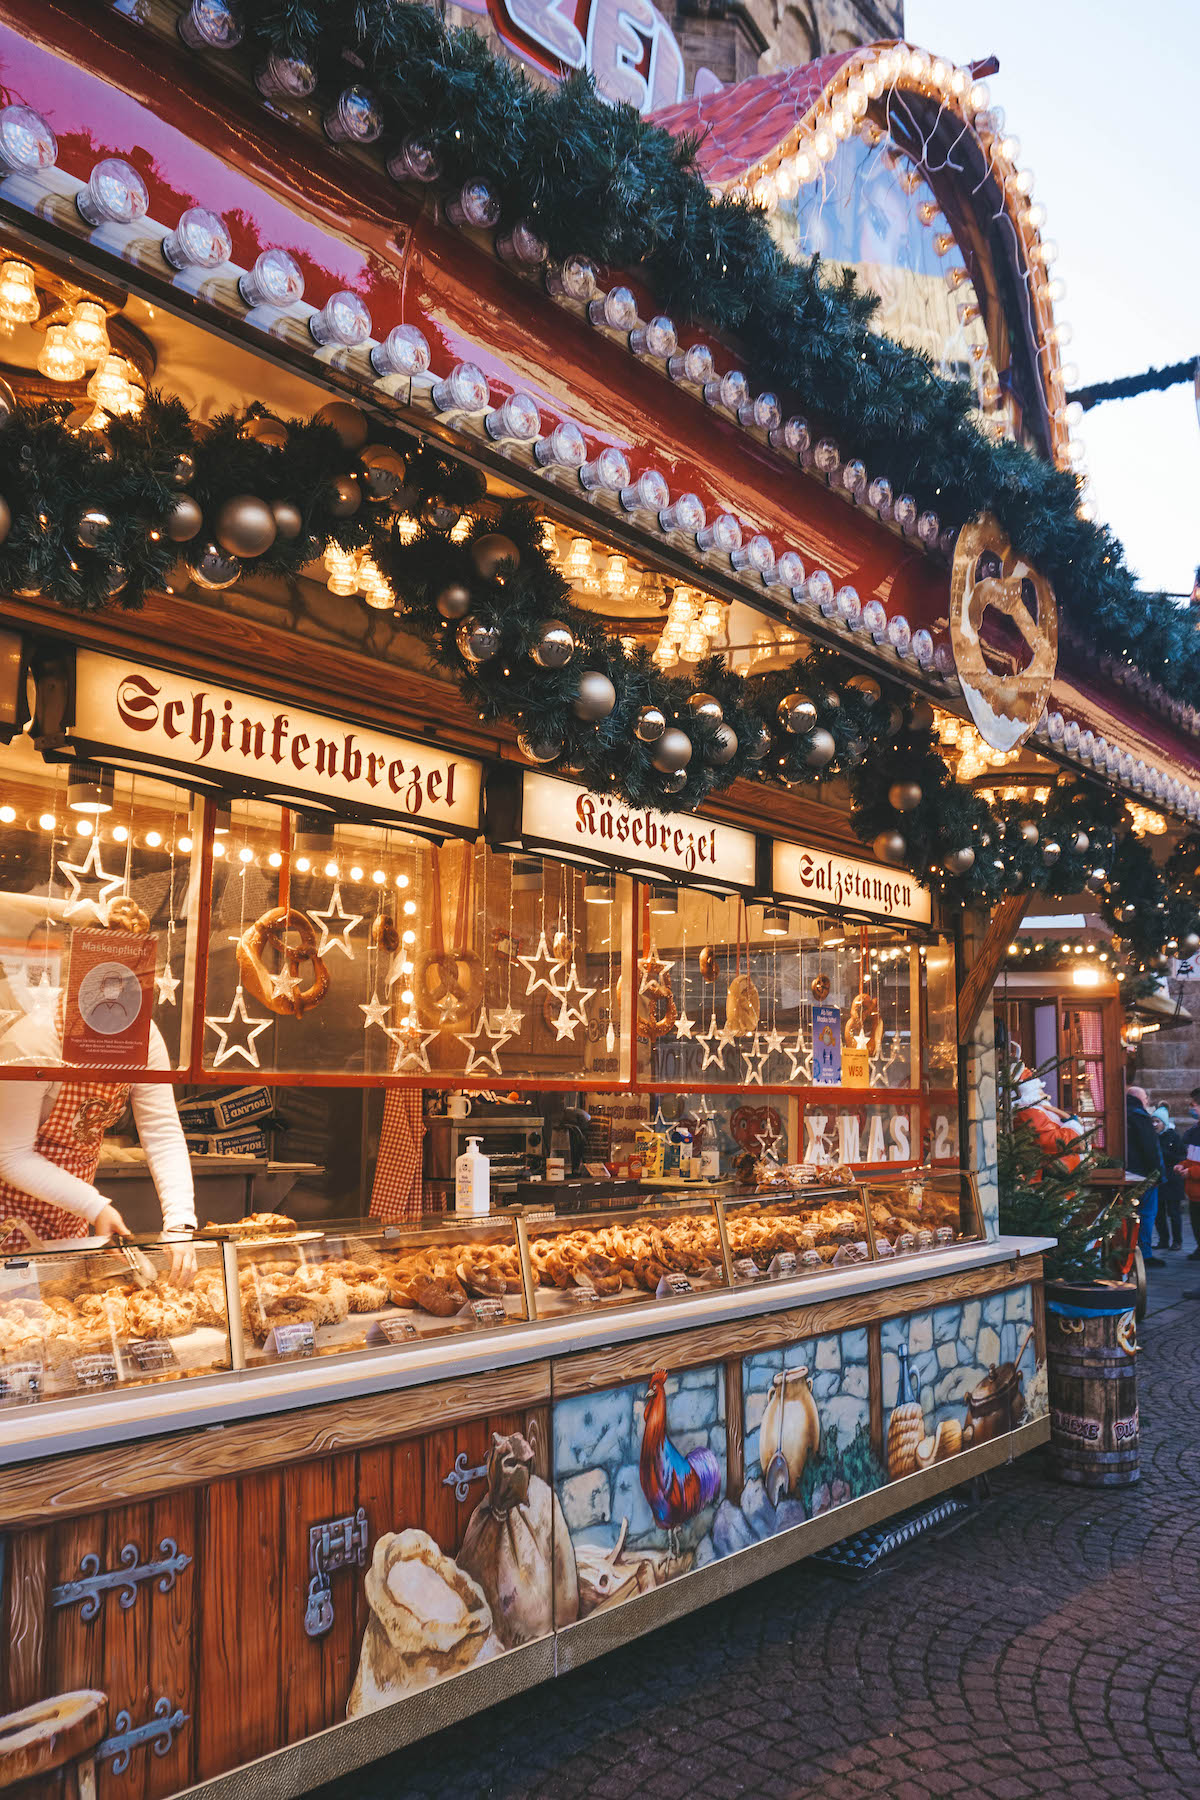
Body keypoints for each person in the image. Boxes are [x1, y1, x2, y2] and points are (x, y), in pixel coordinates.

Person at [1125, 1085, 1164, 1268]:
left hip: (1124, 1172)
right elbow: (1150, 1149)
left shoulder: (1120, 1113)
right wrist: (1156, 1173)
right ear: (1140, 1099)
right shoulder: (1140, 1116)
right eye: (1146, 1099)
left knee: (1126, 1213)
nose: (1148, 1102)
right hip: (1144, 1174)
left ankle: (1126, 1251)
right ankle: (1144, 1254)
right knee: (1147, 1214)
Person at [1152, 1105, 1185, 1251]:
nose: (1154, 1125)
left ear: (1164, 1123)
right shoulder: (1151, 1137)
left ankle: (1177, 1241)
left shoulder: (1174, 1137)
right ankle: (1163, 1240)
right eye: (1153, 1121)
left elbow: (1181, 1157)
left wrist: (1162, 1152)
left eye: (1157, 1121)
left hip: (1173, 1180)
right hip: (1158, 1180)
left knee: (1174, 1213)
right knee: (1159, 1213)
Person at [1179, 1088, 1200, 1260]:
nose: (1191, 1108)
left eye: (1193, 1105)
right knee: (1196, 1224)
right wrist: (1181, 1165)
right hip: (1194, 1192)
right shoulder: (1194, 1131)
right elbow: (1191, 1158)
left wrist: (1191, 1172)